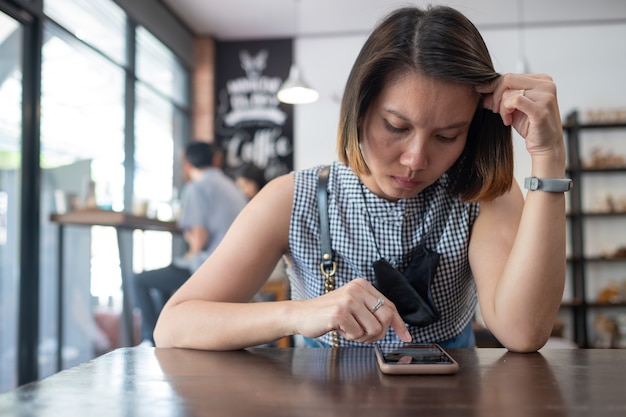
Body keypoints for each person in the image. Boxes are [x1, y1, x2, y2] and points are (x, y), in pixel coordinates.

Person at [154, 6, 567, 352]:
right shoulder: (293, 198)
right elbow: (173, 326)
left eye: (447, 136)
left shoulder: (481, 192)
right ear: (359, 108)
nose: (415, 159)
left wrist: (548, 158)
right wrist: (299, 314)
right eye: (395, 126)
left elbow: (524, 332)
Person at [133, 141, 248, 346]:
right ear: (215, 159)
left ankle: (150, 339)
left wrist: (190, 251)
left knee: (141, 280)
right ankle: (166, 335)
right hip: (236, 266)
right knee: (168, 276)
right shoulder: (231, 186)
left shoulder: (197, 188)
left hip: (209, 267)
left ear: (187, 165)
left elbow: (200, 240)